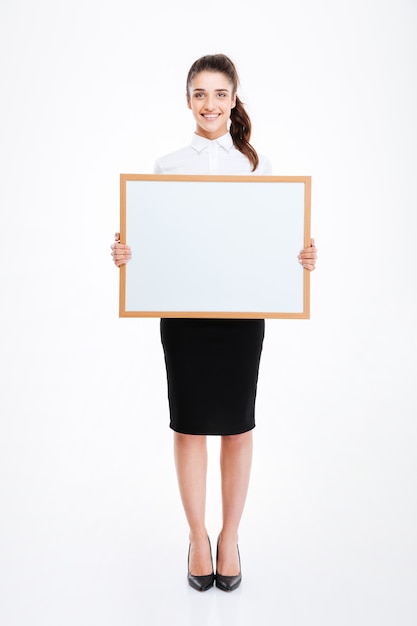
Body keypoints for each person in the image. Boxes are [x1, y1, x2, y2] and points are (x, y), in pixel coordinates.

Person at [111, 53, 317, 592]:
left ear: (233, 99)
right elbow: (155, 243)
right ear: (187, 100)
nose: (210, 104)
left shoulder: (257, 166)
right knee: (188, 423)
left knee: (237, 424)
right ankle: (197, 536)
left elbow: (273, 243)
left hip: (239, 315)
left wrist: (300, 258)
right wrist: (128, 254)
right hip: (184, 315)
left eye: (219, 94)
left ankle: (231, 537)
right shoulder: (166, 165)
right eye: (199, 94)